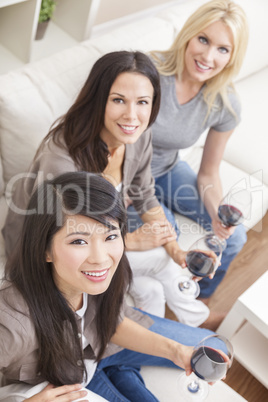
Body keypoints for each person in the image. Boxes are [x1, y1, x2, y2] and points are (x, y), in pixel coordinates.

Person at [2, 50, 220, 328]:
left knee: (152, 291)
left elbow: (144, 193)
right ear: (98, 101)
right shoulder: (61, 162)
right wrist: (132, 242)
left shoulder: (138, 136)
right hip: (45, 252)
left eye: (142, 102)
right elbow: (59, 241)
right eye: (118, 100)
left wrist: (177, 250)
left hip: (99, 234)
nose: (132, 115)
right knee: (159, 261)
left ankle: (142, 352)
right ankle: (197, 322)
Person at [0, 171, 216, 402]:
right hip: (65, 380)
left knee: (210, 348)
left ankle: (118, 371)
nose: (101, 258)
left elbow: (110, 322)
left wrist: (176, 351)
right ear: (45, 250)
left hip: (98, 351)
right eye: (79, 241)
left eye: (110, 236)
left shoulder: (103, 275)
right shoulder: (11, 324)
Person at [148, 0, 248, 301]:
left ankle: (196, 299)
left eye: (222, 48)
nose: (207, 56)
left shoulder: (224, 103)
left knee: (235, 237)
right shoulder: (148, 71)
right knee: (169, 234)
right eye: (203, 39)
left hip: (166, 169)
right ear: (189, 35)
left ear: (232, 56)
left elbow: (208, 172)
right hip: (127, 175)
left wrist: (217, 213)